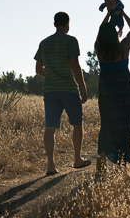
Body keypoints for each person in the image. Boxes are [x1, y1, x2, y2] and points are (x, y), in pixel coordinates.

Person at [34, 11, 90, 175]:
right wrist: (83, 88)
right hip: (68, 89)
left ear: (54, 24)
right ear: (68, 24)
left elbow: (38, 69)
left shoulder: (44, 43)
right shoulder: (71, 41)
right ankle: (77, 159)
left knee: (50, 127)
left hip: (50, 90)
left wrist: (52, 75)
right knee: (77, 124)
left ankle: (51, 165)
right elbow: (75, 65)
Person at [94, 8, 130, 170]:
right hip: (123, 86)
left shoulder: (99, 48)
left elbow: (100, 32)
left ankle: (102, 161)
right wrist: (123, 13)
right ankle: (124, 161)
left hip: (105, 87)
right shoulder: (124, 47)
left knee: (107, 123)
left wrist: (108, 14)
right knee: (124, 123)